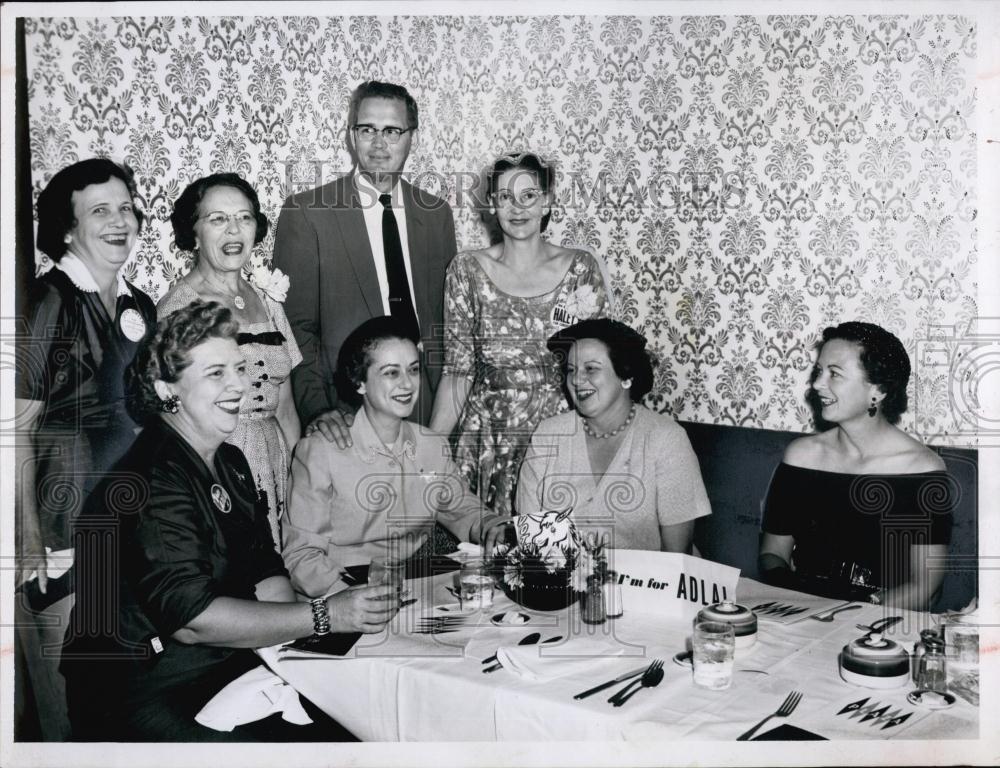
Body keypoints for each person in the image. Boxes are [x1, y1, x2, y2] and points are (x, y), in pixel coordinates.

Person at [61, 301, 397, 741]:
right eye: (216, 373)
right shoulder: (151, 478)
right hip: (145, 688)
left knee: (361, 722)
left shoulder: (231, 462)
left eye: (239, 369)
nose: (240, 384)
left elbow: (264, 571)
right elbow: (193, 620)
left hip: (221, 666)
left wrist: (306, 642)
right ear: (167, 388)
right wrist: (323, 617)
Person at [430, 151, 610, 519]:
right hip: (488, 441)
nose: (518, 207)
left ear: (547, 201)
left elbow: (597, 367)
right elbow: (457, 372)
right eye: (505, 197)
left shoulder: (580, 267)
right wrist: (429, 450)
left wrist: (608, 441)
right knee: (491, 564)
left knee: (559, 561)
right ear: (492, 204)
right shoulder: (467, 269)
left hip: (561, 439)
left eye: (529, 196)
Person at [273, 80, 455, 437]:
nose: (379, 143)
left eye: (392, 131)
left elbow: (446, 322)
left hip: (427, 405)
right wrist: (319, 409)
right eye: (367, 129)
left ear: (411, 137)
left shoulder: (436, 214)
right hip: (346, 410)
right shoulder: (308, 212)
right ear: (351, 135)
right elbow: (296, 329)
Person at [282, 316, 506, 599]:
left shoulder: (431, 446)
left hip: (413, 589)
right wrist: (347, 599)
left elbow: (461, 508)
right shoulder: (319, 451)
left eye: (413, 370)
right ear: (359, 381)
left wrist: (491, 526)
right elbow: (301, 557)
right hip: (339, 592)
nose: (407, 384)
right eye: (391, 373)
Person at [16, 158, 156, 593]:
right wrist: (28, 537)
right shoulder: (49, 302)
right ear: (67, 229)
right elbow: (15, 431)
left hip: (131, 504)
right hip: (66, 507)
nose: (119, 222)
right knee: (80, 642)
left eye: (126, 208)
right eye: (99, 211)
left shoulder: (141, 304)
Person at [758, 322, 954, 610]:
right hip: (801, 611)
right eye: (819, 371)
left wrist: (855, 611)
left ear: (878, 390)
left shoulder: (922, 471)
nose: (817, 384)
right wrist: (799, 599)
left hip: (880, 620)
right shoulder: (800, 457)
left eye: (834, 374)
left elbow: (925, 587)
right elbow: (772, 554)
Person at [158, 173, 301, 548]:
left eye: (244, 217)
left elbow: (285, 406)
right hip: (217, 464)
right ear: (193, 232)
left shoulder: (267, 300)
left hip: (275, 458)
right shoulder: (178, 309)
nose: (233, 230)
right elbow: (168, 416)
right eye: (217, 219)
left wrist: (301, 477)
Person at [516, 318, 711, 552]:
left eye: (591, 369)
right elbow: (534, 546)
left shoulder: (666, 439)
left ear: (626, 376)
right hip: (563, 585)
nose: (577, 380)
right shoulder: (548, 435)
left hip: (650, 584)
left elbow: (678, 556)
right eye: (571, 370)